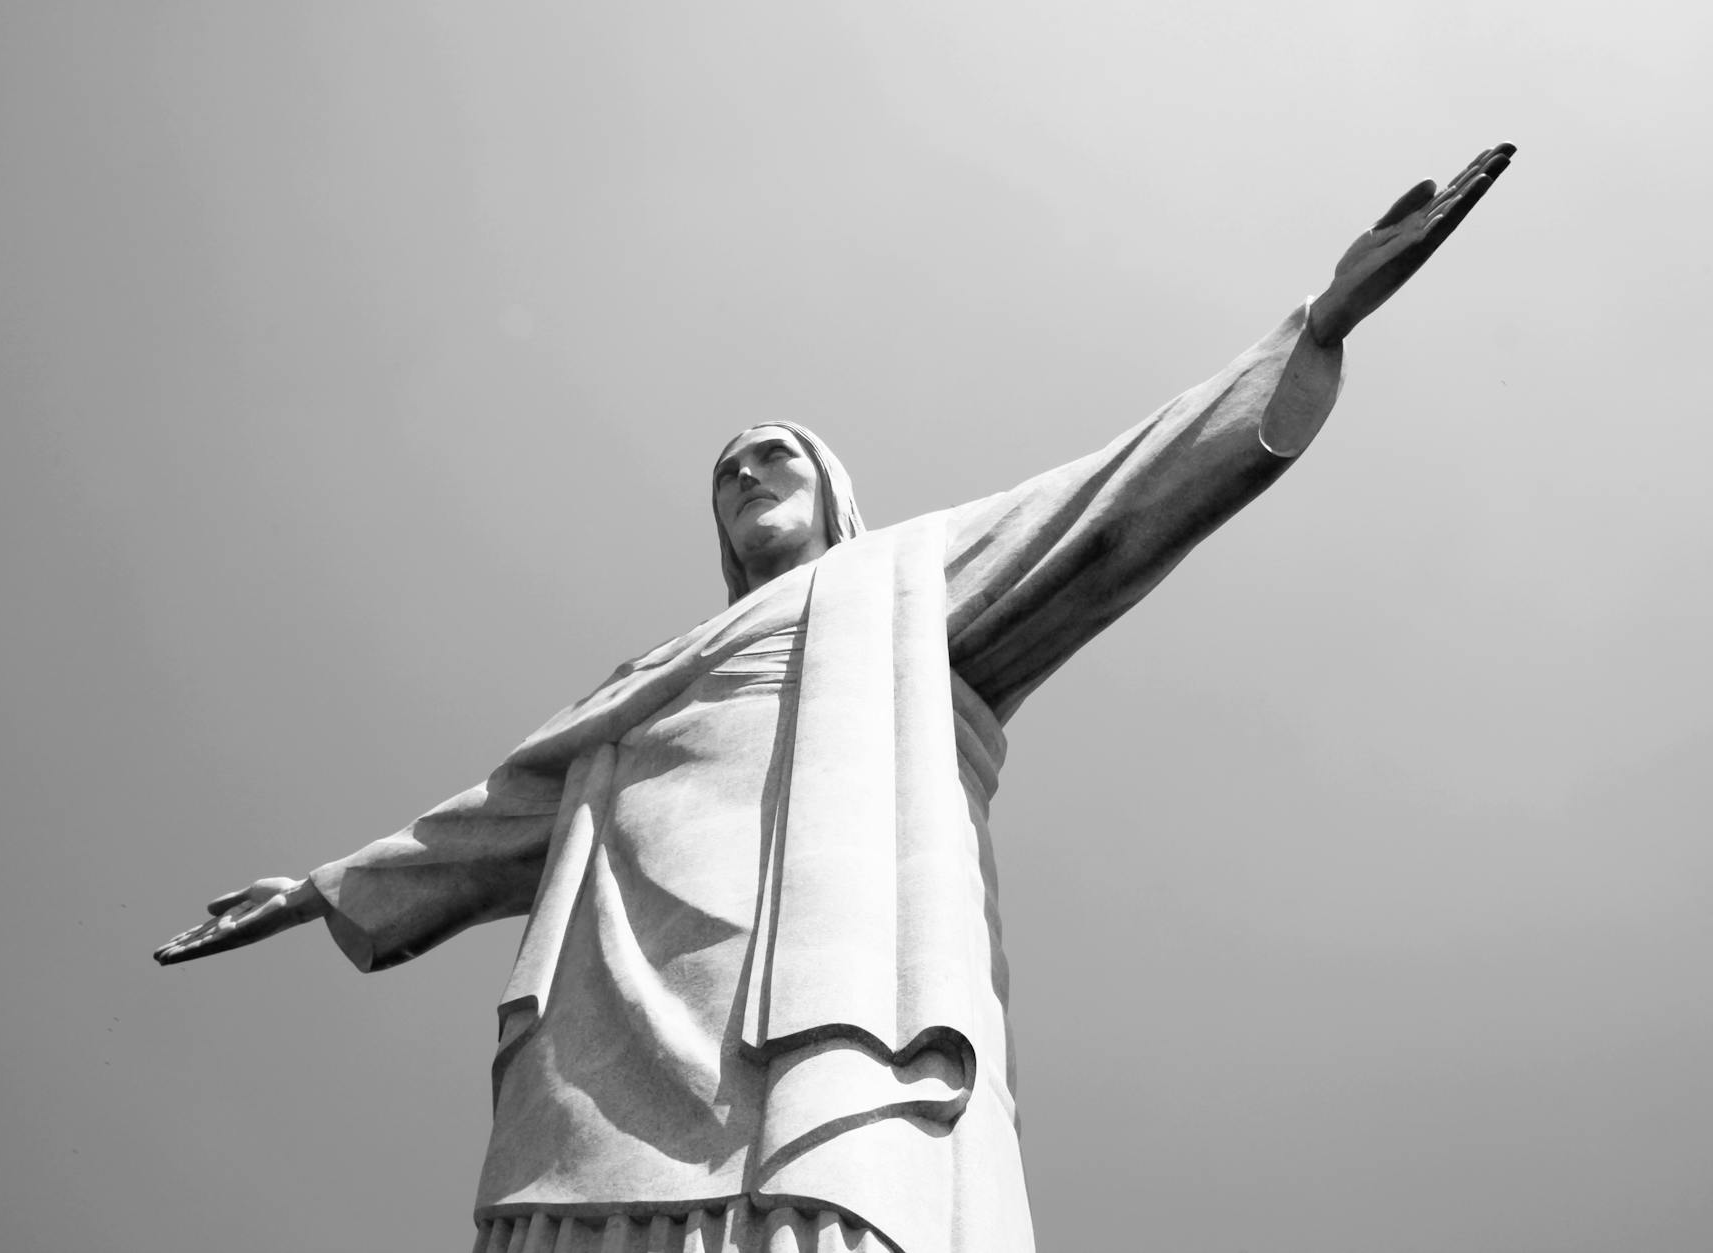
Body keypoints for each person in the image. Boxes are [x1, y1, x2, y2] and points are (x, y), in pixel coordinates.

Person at [156, 144, 1515, 1253]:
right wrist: (323, 888)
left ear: (831, 492)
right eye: (725, 475)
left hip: (818, 987)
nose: (745, 477)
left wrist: (1314, 326)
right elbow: (487, 820)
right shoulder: (630, 694)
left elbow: (1111, 500)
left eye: (771, 460)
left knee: (830, 1189)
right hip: (607, 1009)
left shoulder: (904, 583)